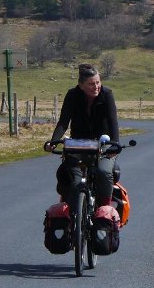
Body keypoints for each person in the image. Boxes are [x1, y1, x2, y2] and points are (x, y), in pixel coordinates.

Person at [43, 63, 119, 206]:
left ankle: (105, 208)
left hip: (103, 147)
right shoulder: (72, 95)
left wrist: (114, 145)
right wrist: (53, 141)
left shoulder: (107, 94)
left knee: (103, 171)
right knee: (73, 177)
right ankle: (73, 211)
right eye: (91, 84)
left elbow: (113, 122)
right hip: (78, 146)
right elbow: (63, 122)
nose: (96, 86)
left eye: (98, 82)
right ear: (81, 85)